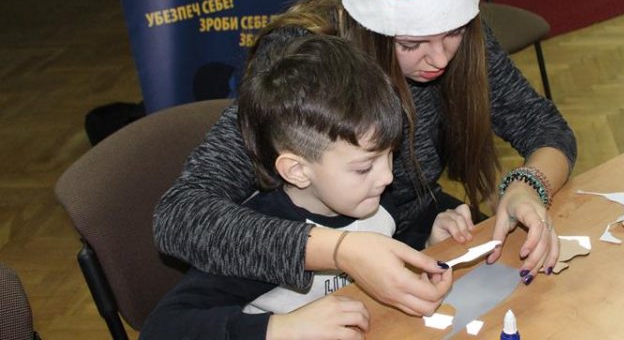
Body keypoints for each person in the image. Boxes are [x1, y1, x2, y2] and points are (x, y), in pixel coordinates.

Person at [153, 0, 578, 317]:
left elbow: (545, 126)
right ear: (368, 29)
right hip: (308, 272)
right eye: (411, 44)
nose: (439, 58)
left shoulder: (453, 34)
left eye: (453, 34)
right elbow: (180, 216)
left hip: (413, 228)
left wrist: (528, 186)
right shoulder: (305, 67)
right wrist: (342, 250)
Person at [141, 35, 472, 339]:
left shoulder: (373, 202)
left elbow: (385, 242)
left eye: (391, 154)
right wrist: (277, 329)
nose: (387, 176)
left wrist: (425, 246)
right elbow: (161, 328)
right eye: (364, 167)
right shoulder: (257, 240)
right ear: (298, 171)